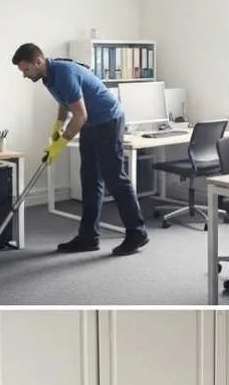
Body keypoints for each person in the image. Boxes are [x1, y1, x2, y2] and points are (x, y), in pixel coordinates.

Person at [11, 43, 149, 256]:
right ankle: (88, 237)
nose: (24, 75)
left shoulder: (63, 73)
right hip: (91, 124)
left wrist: (59, 145)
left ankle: (137, 232)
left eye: (26, 69)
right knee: (90, 180)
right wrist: (58, 125)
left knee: (115, 178)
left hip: (107, 120)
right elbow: (66, 101)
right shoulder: (47, 76)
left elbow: (80, 115)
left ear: (38, 62)